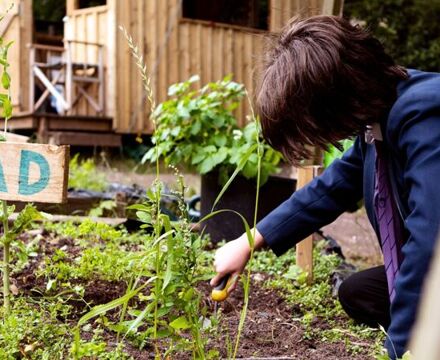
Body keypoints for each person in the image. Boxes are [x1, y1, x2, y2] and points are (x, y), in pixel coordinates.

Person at [210, 15, 440, 359]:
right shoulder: (380, 118)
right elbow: (330, 188)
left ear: (335, 99)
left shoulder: (425, 114)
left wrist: (402, 351)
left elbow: (429, 246)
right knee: (359, 293)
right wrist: (249, 240)